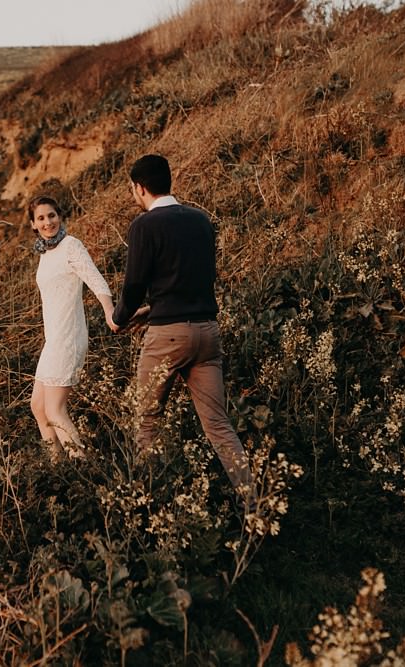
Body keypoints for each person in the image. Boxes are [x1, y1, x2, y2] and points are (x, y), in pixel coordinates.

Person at [109, 154, 252, 497]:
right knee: (219, 426)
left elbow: (133, 285)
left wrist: (120, 318)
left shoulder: (144, 226)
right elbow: (194, 279)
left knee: (147, 422)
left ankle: (149, 503)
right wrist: (155, 309)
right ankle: (255, 504)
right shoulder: (200, 221)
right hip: (206, 332)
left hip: (168, 337)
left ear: (139, 188)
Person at [28, 195, 116, 459]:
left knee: (55, 409)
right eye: (41, 218)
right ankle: (58, 468)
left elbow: (95, 280)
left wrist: (109, 311)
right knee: (38, 406)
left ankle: (83, 467)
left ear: (60, 216)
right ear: (33, 224)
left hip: (69, 338)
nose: (48, 222)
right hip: (52, 341)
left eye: (52, 215)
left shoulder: (70, 246)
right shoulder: (45, 253)